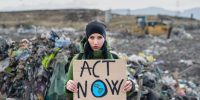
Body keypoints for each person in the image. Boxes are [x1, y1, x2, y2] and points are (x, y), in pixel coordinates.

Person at [65, 20, 135, 100]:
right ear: (87, 38)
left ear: (104, 38)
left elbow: (124, 91)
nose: (95, 42)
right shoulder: (77, 59)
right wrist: (68, 87)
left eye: (99, 37)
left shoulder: (115, 58)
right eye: (91, 37)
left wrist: (130, 86)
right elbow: (69, 96)